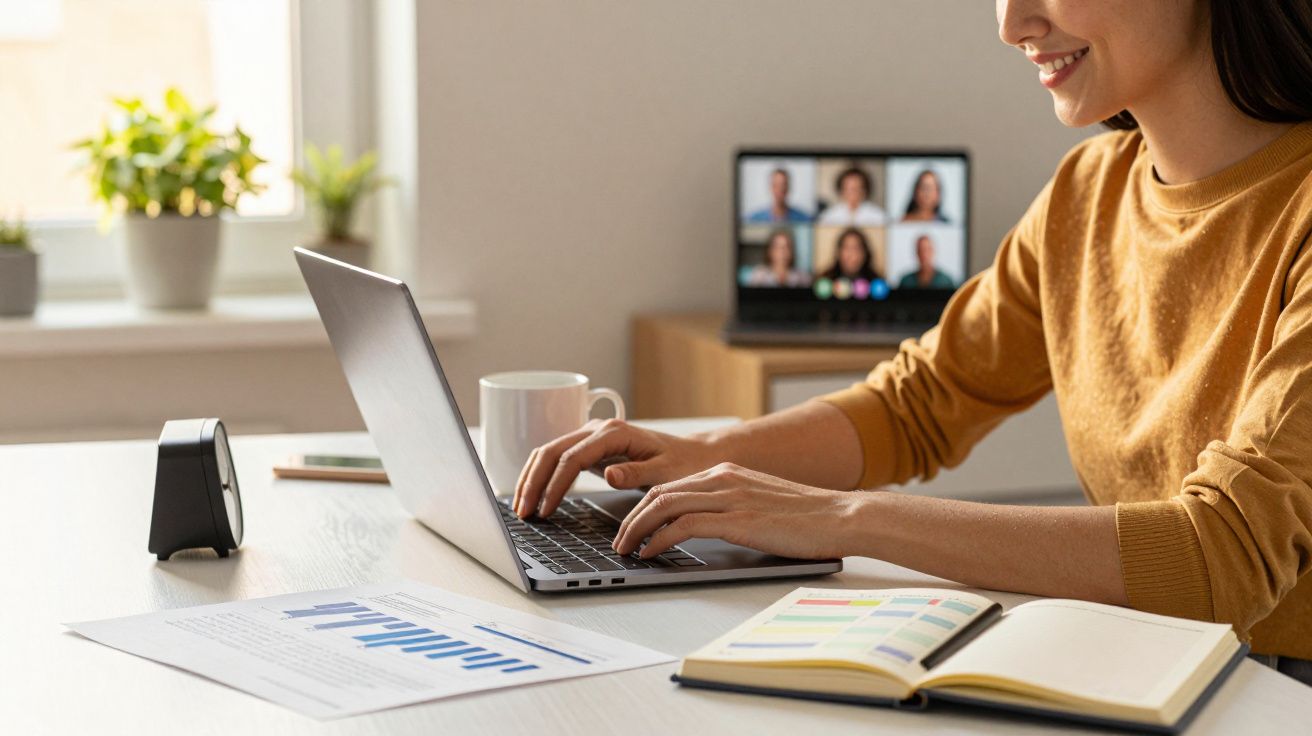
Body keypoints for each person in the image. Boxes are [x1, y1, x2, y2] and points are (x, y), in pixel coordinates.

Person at [513, 0, 1312, 684]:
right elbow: (917, 405)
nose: (1010, 24)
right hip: (1158, 658)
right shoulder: (1090, 190)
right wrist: (704, 456)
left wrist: (844, 518)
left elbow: (1222, 555)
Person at [816, 166, 888, 226]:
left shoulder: (879, 216)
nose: (852, 192)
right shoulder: (828, 216)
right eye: (848, 188)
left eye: (856, 188)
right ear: (841, 190)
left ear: (865, 190)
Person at [743, 229, 811, 287]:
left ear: (792, 251)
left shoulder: (803, 278)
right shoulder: (758, 275)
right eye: (778, 247)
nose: (782, 252)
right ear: (770, 251)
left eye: (786, 247)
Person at [745, 167, 811, 223]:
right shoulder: (755, 219)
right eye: (776, 185)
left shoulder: (804, 219)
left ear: (788, 187)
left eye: (783, 185)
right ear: (771, 188)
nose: (780, 189)